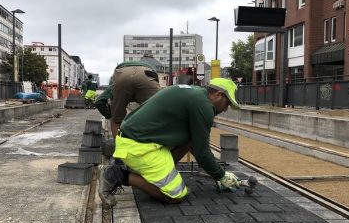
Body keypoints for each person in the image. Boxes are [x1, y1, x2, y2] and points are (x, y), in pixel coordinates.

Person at [98, 78, 241, 206]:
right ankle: (116, 175)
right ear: (218, 95)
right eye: (227, 103)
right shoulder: (204, 106)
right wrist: (221, 175)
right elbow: (202, 152)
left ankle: (160, 178)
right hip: (138, 146)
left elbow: (196, 144)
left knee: (191, 139)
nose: (225, 109)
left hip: (135, 139)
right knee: (176, 195)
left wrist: (214, 172)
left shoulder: (196, 94)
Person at [96, 61, 161, 139]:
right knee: (158, 114)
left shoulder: (114, 83)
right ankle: (157, 146)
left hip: (123, 74)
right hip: (147, 74)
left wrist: (109, 115)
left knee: (116, 119)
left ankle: (119, 148)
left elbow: (99, 101)